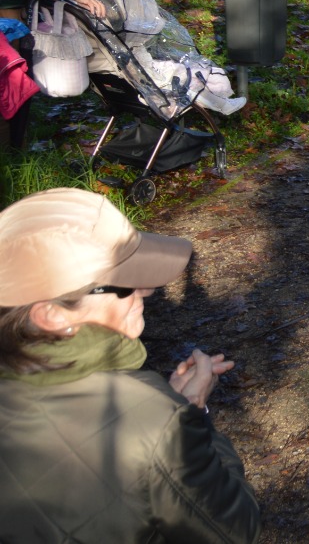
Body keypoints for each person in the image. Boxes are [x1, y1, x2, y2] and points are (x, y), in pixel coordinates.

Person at [0, 187, 260, 542]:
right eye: (124, 285)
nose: (148, 291)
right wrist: (188, 414)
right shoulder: (154, 423)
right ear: (53, 315)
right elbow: (236, 531)